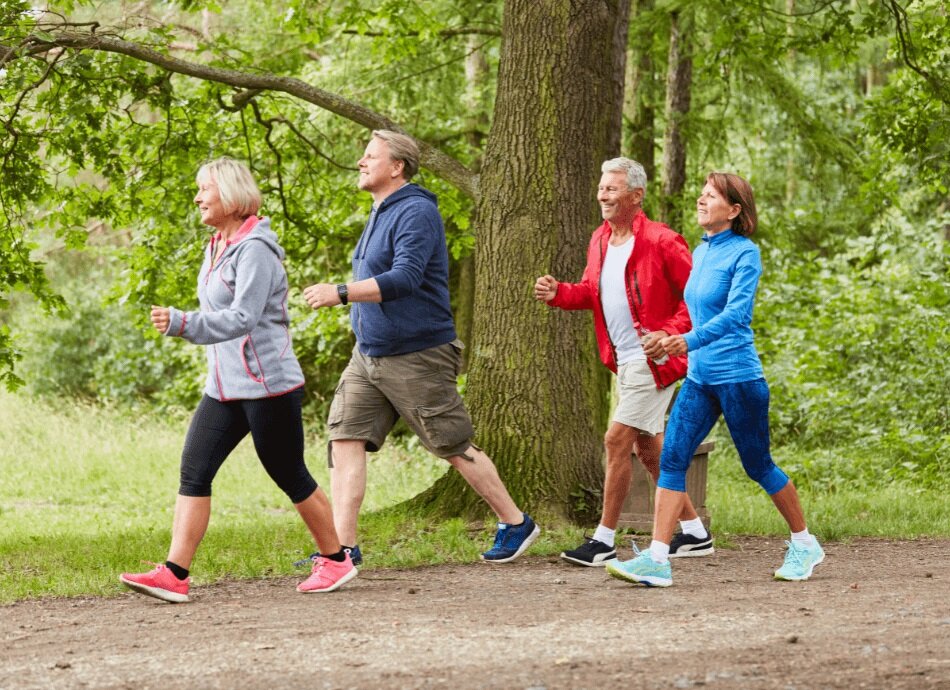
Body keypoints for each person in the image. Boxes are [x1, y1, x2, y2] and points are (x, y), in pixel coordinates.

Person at [120, 158, 357, 603]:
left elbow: (244, 317)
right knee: (195, 470)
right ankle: (174, 573)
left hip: (268, 385)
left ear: (229, 194)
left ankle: (337, 560)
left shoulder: (256, 250)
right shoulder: (217, 245)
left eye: (204, 189)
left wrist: (183, 323)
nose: (197, 198)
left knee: (288, 472)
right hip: (224, 387)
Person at [302, 130, 540, 565]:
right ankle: (342, 551)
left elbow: (405, 278)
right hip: (369, 353)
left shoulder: (415, 211)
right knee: (344, 438)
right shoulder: (380, 210)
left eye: (370, 155)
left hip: (417, 354)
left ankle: (515, 521)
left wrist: (341, 292)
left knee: (452, 444)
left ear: (397, 167)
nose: (361, 161)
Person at [607, 172, 825, 587]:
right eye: (702, 194)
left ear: (735, 210)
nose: (702, 200)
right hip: (700, 378)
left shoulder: (745, 254)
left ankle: (804, 542)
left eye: (711, 196)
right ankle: (657, 559)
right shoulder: (702, 252)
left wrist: (684, 341)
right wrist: (667, 337)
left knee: (758, 465)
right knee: (672, 459)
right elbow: (693, 311)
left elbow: (736, 315)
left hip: (739, 378)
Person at [535, 157, 712, 567]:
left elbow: (697, 300)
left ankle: (603, 539)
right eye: (601, 188)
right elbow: (590, 291)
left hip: (655, 362)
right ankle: (696, 533)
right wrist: (559, 292)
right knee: (648, 450)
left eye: (612, 189)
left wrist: (669, 336)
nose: (602, 195)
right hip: (623, 361)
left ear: (636, 195)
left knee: (616, 440)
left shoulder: (663, 241)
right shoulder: (599, 239)